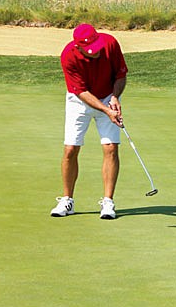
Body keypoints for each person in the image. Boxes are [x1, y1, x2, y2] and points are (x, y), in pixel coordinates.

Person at [51, 23, 128, 219]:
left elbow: (120, 75)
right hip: (79, 101)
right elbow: (81, 92)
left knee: (111, 148)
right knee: (70, 149)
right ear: (79, 47)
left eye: (97, 47)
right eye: (91, 50)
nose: (96, 52)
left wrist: (115, 97)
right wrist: (106, 110)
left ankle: (108, 202)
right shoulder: (68, 56)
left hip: (107, 97)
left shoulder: (110, 43)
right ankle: (67, 200)